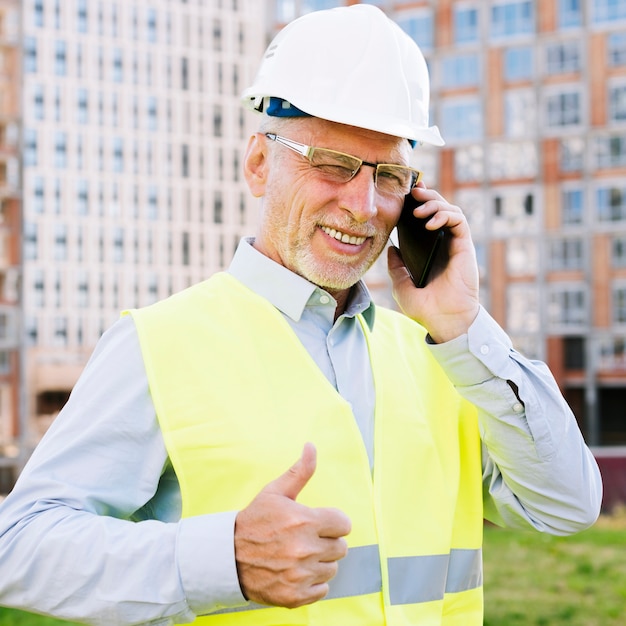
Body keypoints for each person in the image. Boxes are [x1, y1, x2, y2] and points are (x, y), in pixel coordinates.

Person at [0, 5, 601, 626]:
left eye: (390, 175)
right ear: (260, 163)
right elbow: (18, 546)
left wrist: (464, 326)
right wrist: (222, 561)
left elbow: (568, 506)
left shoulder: (444, 355)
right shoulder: (160, 345)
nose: (364, 206)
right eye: (334, 165)